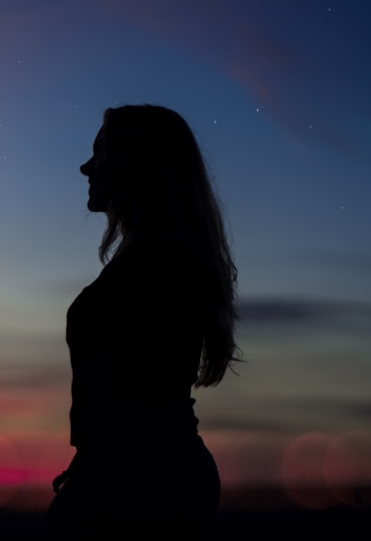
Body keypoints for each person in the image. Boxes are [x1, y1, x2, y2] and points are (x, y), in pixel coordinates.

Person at [48, 105, 239, 539]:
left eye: (100, 153)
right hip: (138, 481)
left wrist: (93, 487)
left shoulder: (159, 266)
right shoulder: (154, 260)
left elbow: (137, 403)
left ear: (135, 163)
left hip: (142, 492)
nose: (86, 167)